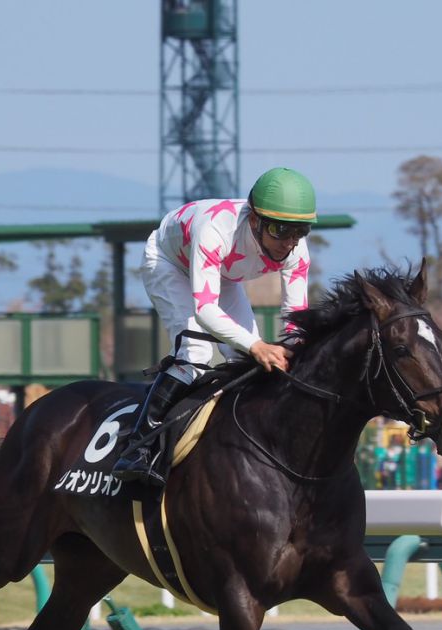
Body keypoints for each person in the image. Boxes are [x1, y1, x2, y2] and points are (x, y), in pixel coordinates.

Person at [113, 166, 316, 485]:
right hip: (168, 263)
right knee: (195, 353)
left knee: (245, 361)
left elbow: (295, 318)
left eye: (299, 231)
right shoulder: (215, 230)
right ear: (255, 220)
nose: (289, 242)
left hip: (224, 274)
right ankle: (137, 447)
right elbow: (205, 311)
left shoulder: (296, 249)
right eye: (280, 230)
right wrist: (257, 345)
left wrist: (294, 351)